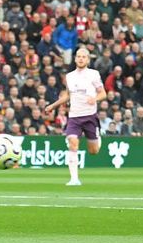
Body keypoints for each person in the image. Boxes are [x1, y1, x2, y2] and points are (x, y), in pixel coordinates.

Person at [45, 48, 106, 186]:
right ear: (75, 59)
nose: (80, 59)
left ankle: (97, 137)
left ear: (88, 59)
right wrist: (52, 106)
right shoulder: (70, 76)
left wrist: (95, 99)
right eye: (78, 56)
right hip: (74, 117)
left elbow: (103, 93)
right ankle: (74, 179)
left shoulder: (93, 74)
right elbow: (67, 95)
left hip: (90, 116)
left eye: (83, 57)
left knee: (93, 151)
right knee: (73, 143)